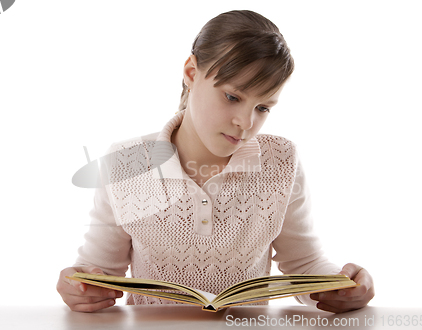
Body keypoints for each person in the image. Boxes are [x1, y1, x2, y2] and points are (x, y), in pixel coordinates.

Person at [57, 9, 374, 314]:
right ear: (191, 73)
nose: (246, 122)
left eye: (263, 107)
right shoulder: (127, 163)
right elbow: (98, 272)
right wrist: (79, 287)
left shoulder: (280, 161)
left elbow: (304, 264)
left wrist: (341, 286)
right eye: (233, 97)